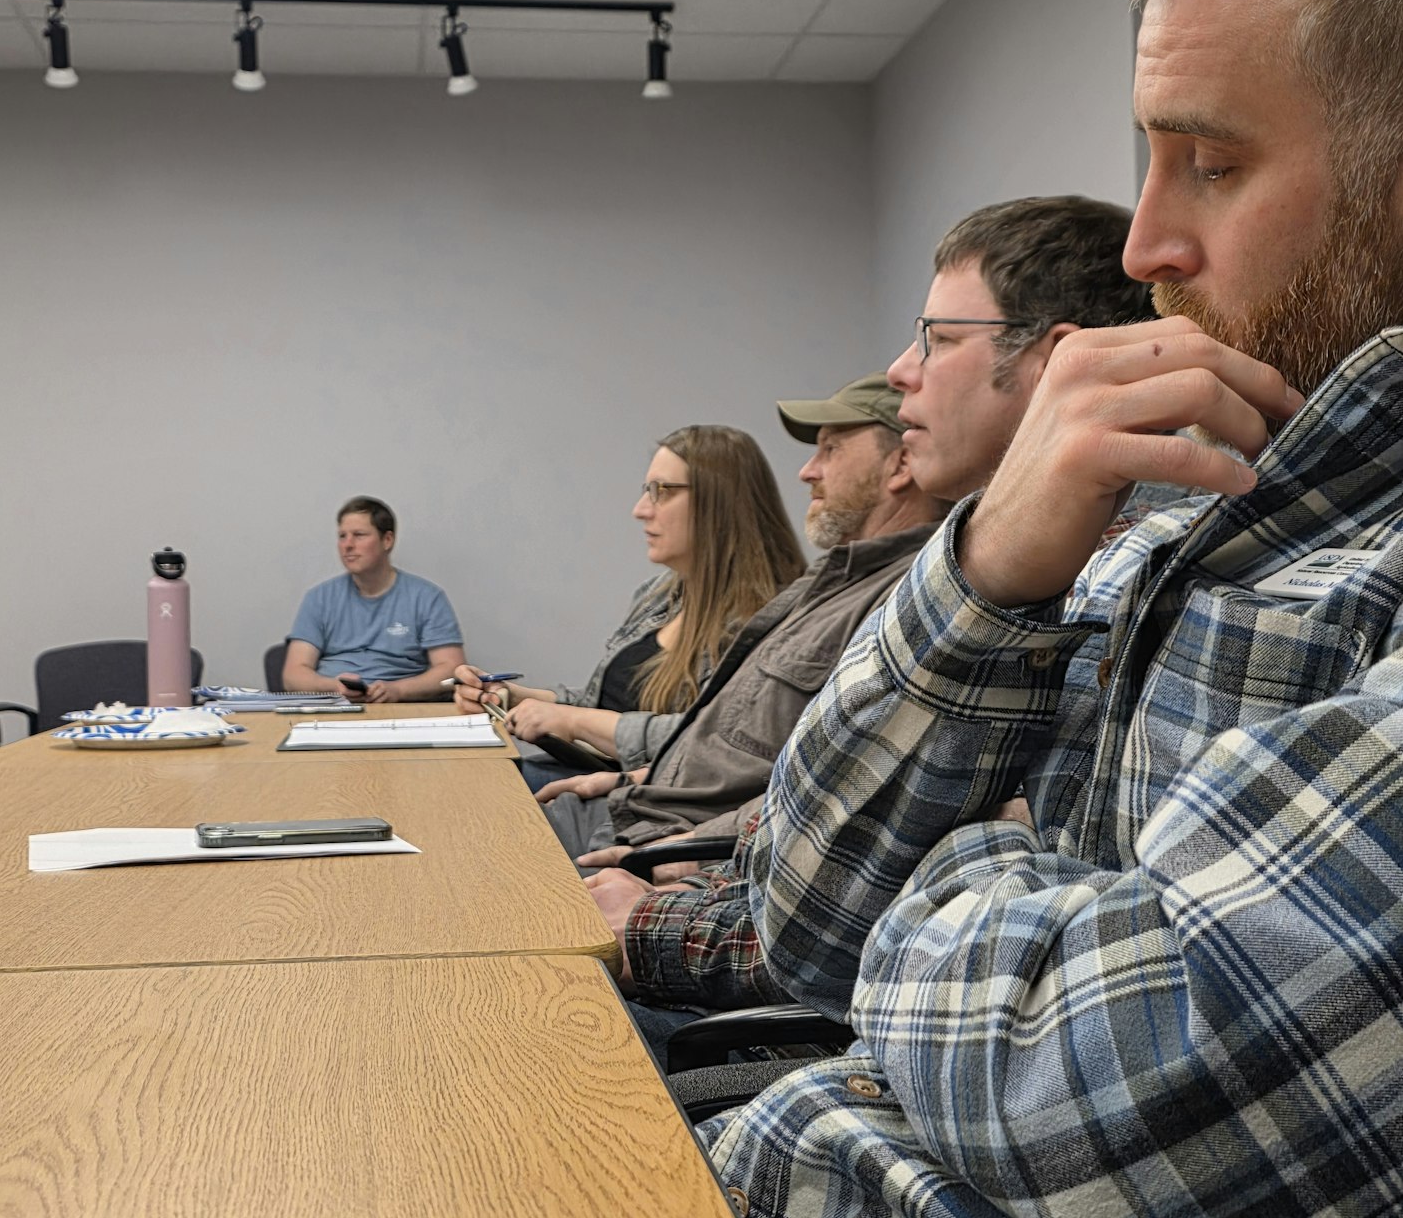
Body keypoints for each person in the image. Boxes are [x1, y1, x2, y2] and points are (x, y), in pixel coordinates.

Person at [702, 0, 1403, 1218]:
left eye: (1214, 164)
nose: (1148, 244)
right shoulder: (1191, 501)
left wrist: (965, 870)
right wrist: (998, 571)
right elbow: (799, 902)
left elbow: (1174, 1114)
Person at [585, 195, 1154, 1031]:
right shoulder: (950, 574)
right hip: (697, 899)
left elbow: (839, 915)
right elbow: (806, 832)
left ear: (1053, 362)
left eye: (940, 339)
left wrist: (655, 908)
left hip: (766, 993)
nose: (902, 371)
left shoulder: (1091, 590)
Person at [541, 375, 954, 875]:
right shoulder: (829, 582)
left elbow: (841, 786)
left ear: (901, 464)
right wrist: (638, 777)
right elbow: (747, 747)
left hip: (662, 845)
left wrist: (686, 851)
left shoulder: (903, 600)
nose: (806, 471)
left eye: (831, 449)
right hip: (633, 806)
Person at [453, 426, 804, 785]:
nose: (640, 510)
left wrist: (573, 721)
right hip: (585, 776)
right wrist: (512, 697)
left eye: (661, 492)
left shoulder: (769, 621)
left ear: (720, 503)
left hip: (644, 804)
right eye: (645, 492)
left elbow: (713, 743)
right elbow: (603, 704)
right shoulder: (657, 595)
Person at [283, 495, 465, 701]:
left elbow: (451, 667)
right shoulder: (319, 598)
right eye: (342, 536)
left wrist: (398, 690)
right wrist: (333, 687)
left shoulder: (427, 597)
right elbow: (293, 674)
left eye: (359, 535)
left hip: (404, 709)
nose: (347, 545)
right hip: (334, 707)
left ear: (387, 540)